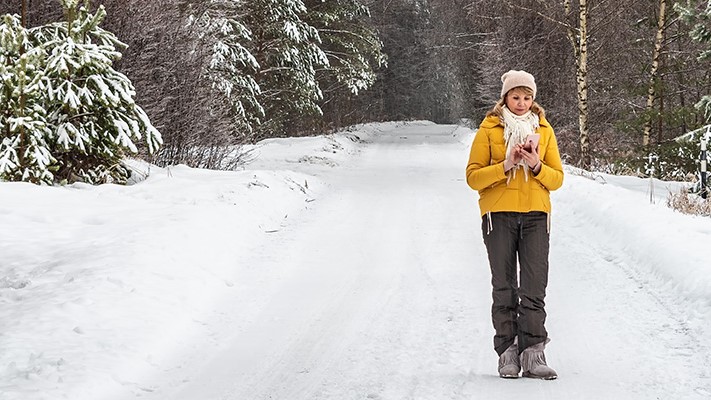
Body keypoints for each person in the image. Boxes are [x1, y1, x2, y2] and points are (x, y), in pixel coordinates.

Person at [465, 70, 564, 380]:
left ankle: (534, 355)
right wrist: (506, 164)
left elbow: (557, 178)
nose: (522, 103)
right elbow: (472, 177)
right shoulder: (489, 129)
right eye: (516, 97)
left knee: (534, 288)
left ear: (533, 100)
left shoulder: (544, 130)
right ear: (505, 98)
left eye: (527, 97)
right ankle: (508, 354)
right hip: (499, 214)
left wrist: (535, 164)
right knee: (504, 287)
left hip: (536, 215)